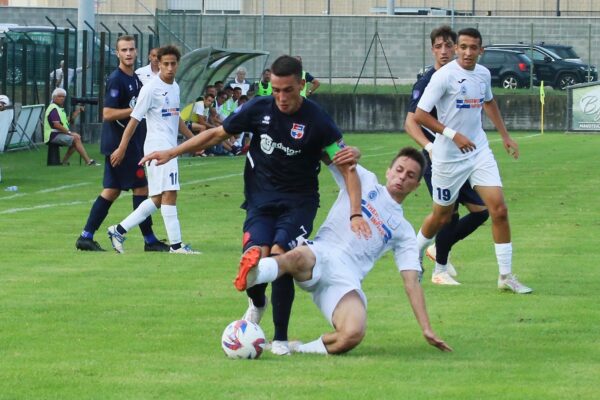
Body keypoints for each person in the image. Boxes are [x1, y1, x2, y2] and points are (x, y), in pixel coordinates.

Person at [140, 55, 368, 355]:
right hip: (260, 201)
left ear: (302, 85)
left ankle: (281, 340)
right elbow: (216, 134)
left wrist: (355, 213)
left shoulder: (317, 120)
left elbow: (347, 166)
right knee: (253, 257)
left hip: (299, 204)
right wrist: (172, 152)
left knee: (280, 255)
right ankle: (257, 302)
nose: (281, 97)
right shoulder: (259, 108)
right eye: (275, 90)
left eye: (288, 90)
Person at [235, 147, 452, 355]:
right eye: (399, 170)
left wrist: (426, 328)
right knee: (296, 256)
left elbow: (411, 282)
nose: (402, 177)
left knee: (353, 333)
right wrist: (354, 151)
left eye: (411, 175)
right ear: (388, 171)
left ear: (416, 186)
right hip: (320, 253)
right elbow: (329, 150)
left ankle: (298, 348)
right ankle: (256, 272)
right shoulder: (364, 180)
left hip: (346, 280)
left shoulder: (404, 231)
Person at [413, 27, 532, 294]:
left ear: (481, 50)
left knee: (498, 209)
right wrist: (453, 135)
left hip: (478, 151)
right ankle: (415, 250)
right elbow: (419, 115)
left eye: (473, 47)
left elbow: (489, 102)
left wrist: (505, 136)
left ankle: (505, 276)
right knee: (441, 216)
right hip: (447, 156)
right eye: (463, 47)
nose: (468, 52)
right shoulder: (443, 77)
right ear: (457, 49)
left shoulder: (483, 74)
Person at [404, 25, 489, 285]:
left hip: (464, 157)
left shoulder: (463, 75)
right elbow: (411, 122)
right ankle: (438, 269)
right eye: (438, 47)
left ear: (456, 47)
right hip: (438, 158)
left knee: (481, 211)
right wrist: (429, 147)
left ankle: (432, 251)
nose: (443, 51)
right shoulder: (428, 80)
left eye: (448, 46)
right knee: (447, 214)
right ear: (432, 50)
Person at [75, 35, 168, 253]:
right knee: (141, 189)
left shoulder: (135, 78)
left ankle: (86, 236)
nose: (128, 53)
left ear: (136, 52)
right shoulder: (117, 79)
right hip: (120, 146)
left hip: (128, 145)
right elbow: (107, 113)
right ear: (117, 53)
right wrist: (137, 110)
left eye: (131, 49)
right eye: (124, 50)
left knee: (111, 190)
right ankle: (150, 241)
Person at [107, 44, 200, 255]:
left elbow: (177, 120)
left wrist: (195, 141)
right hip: (158, 148)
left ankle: (118, 230)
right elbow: (133, 120)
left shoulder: (175, 87)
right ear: (157, 63)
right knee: (170, 194)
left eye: (172, 64)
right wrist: (122, 147)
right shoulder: (150, 89)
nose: (168, 68)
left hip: (169, 147)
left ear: (178, 64)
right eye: (164, 64)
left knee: (158, 198)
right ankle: (176, 246)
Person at [43, 88, 99, 166]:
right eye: (59, 96)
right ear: (54, 97)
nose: (62, 98)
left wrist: (78, 111)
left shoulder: (58, 108)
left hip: (57, 134)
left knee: (76, 139)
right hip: (52, 135)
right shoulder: (53, 108)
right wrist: (70, 133)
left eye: (63, 97)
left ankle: (64, 162)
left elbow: (67, 120)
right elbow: (56, 125)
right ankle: (88, 161)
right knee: (76, 138)